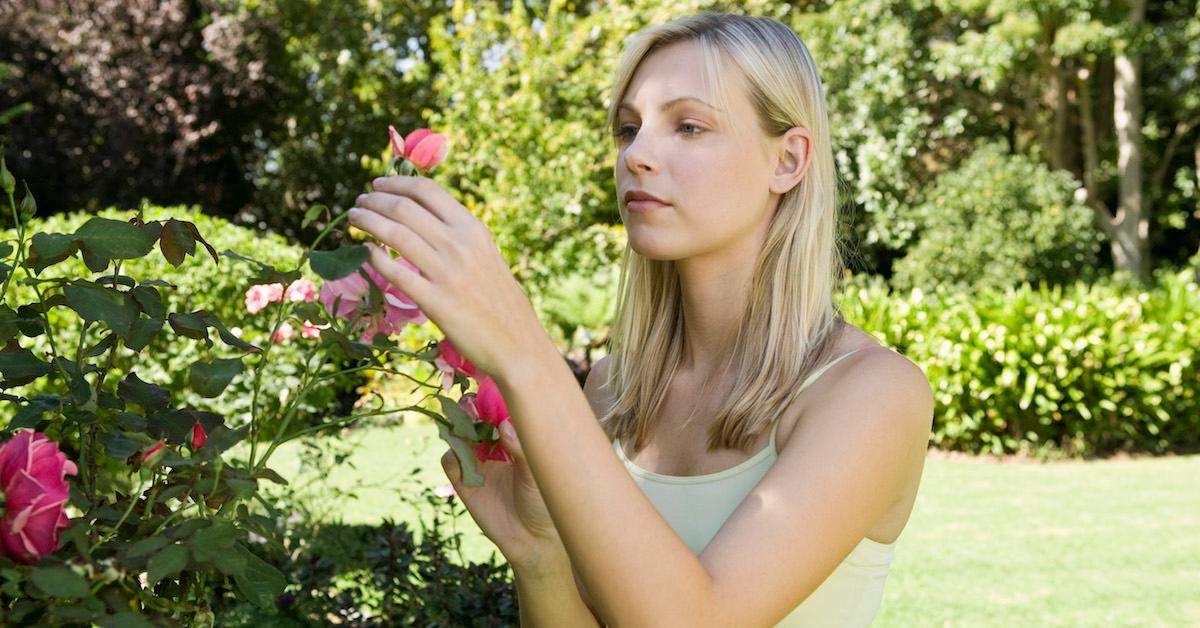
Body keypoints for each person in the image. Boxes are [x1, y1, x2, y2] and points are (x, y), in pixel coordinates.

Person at [347, 11, 933, 627]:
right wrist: (538, 554)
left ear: (787, 161)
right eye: (629, 129)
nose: (639, 155)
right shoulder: (612, 390)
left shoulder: (872, 394)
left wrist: (525, 355)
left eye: (688, 126)